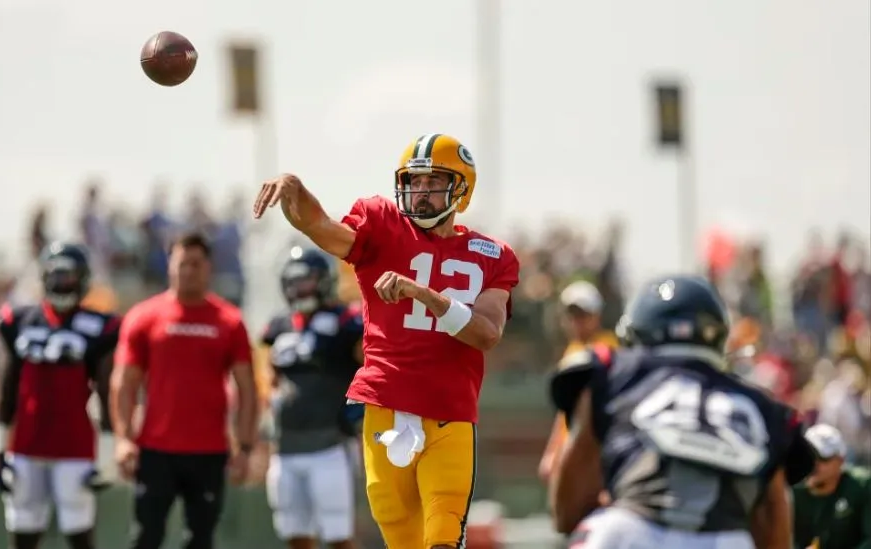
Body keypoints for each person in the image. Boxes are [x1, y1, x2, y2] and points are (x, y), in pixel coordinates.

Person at [252, 133, 521, 549]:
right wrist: (297, 194)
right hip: (384, 406)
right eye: (413, 183)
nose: (420, 193)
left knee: (443, 537)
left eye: (433, 183)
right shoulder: (382, 224)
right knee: (401, 539)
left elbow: (486, 333)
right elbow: (322, 228)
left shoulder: (492, 254)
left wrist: (423, 294)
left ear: (460, 188)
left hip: (450, 413)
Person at [548, 274, 815, 549]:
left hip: (631, 531)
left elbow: (568, 511)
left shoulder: (610, 372)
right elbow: (773, 523)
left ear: (634, 333)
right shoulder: (764, 409)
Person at [110, 231, 259, 549]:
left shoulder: (229, 322)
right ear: (170, 265)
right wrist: (123, 439)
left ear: (208, 267)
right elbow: (124, 382)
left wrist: (245, 448)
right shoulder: (143, 318)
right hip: (155, 450)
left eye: (196, 263)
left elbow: (247, 389)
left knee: (200, 540)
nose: (188, 270)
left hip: (208, 453)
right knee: (146, 537)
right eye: (182, 263)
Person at [0, 242, 120, 549]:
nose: (62, 283)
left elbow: (105, 390)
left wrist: (107, 450)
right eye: (56, 275)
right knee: (23, 532)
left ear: (83, 279)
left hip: (74, 444)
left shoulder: (101, 326)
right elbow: (8, 385)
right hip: (26, 443)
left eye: (69, 277)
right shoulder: (19, 319)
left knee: (79, 533)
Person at [261, 246, 363, 549]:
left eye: (306, 279)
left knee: (338, 536)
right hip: (286, 447)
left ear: (323, 280)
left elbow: (370, 362)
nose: (299, 287)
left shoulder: (346, 321)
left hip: (330, 445)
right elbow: (271, 379)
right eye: (293, 281)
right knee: (295, 535)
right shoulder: (278, 325)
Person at [538, 280, 618, 484]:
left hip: (595, 449)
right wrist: (552, 452)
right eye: (571, 316)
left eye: (582, 315)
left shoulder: (608, 349)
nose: (576, 322)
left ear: (597, 316)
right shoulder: (573, 351)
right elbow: (564, 410)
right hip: (573, 448)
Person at [792, 424, 871, 549]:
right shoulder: (789, 491)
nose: (814, 464)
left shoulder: (862, 486)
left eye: (823, 458)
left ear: (841, 460)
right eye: (808, 457)